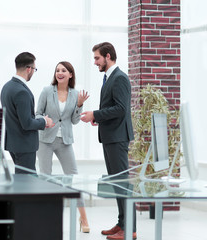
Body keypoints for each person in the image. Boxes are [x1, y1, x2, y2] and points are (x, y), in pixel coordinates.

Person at [80, 42, 136, 240]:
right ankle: (122, 223)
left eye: (97, 58)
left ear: (108, 56)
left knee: (122, 183)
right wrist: (98, 118)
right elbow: (113, 108)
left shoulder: (119, 78)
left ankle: (129, 228)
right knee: (117, 183)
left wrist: (95, 113)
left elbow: (121, 109)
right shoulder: (109, 77)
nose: (95, 62)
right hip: (111, 136)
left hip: (118, 137)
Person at [36, 61, 90, 232]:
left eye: (63, 70)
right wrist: (45, 120)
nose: (60, 73)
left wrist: (80, 105)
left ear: (70, 75)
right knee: (46, 178)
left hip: (65, 140)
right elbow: (37, 113)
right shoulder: (46, 91)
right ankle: (45, 217)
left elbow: (74, 121)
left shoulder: (75, 94)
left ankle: (83, 218)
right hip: (45, 139)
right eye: (57, 70)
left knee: (73, 177)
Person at [0, 52, 54, 174]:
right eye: (34, 69)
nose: (34, 72)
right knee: (27, 183)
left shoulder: (7, 87)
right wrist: (44, 121)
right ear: (29, 69)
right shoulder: (21, 91)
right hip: (24, 145)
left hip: (13, 144)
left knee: (21, 181)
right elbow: (27, 123)